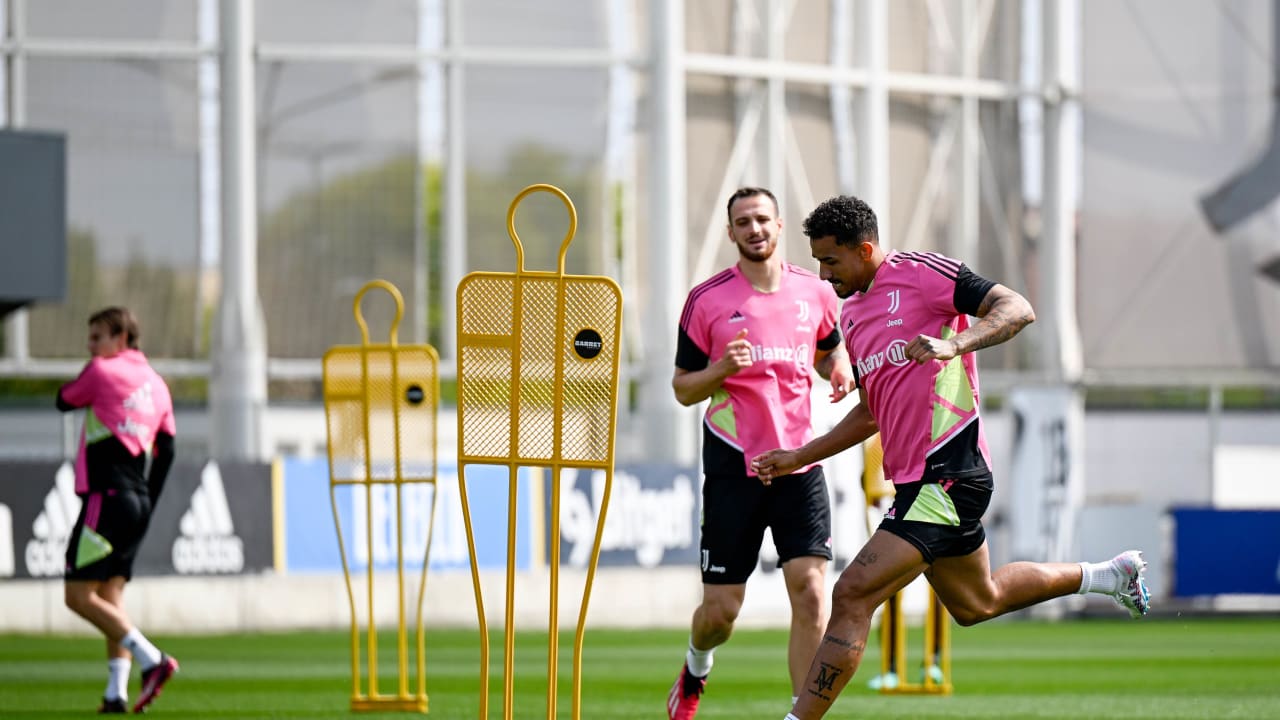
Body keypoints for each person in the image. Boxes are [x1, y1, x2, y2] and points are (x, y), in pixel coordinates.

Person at [750, 195, 1151, 720]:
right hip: (917, 484)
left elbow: (1017, 309)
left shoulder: (921, 273)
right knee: (976, 603)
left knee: (850, 595)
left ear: (864, 249)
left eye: (831, 260)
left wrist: (955, 345)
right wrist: (801, 455)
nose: (824, 275)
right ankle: (1108, 575)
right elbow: (871, 413)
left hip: (949, 475)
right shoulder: (853, 314)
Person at [666, 187, 855, 720]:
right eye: (743, 222)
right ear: (731, 233)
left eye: (763, 220)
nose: (754, 229)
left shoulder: (814, 291)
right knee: (721, 612)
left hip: (800, 462)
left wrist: (837, 367)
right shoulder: (707, 300)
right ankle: (696, 666)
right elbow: (682, 388)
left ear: (779, 225)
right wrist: (720, 369)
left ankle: (802, 714)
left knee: (813, 590)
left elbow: (828, 348)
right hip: (733, 467)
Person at [57, 307, 180, 714]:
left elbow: (64, 400)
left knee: (77, 595)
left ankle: (152, 659)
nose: (91, 346)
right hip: (139, 501)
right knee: (110, 594)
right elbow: (167, 453)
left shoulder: (101, 371)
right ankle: (116, 694)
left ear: (121, 339)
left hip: (105, 497)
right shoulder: (159, 385)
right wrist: (148, 502)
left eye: (97, 337)